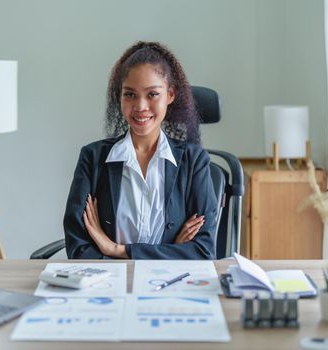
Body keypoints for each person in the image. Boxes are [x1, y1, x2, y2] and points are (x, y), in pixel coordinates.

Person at [63, 41, 217, 259]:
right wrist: (172, 249)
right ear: (120, 96)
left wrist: (115, 250)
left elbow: (203, 251)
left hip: (171, 284)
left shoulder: (194, 161)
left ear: (170, 95)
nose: (141, 106)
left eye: (152, 94)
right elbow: (78, 248)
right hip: (109, 284)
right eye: (130, 94)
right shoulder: (92, 158)